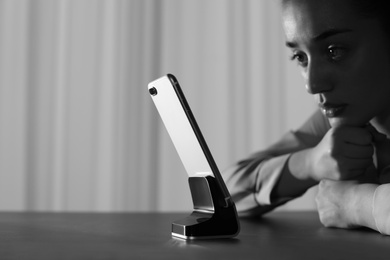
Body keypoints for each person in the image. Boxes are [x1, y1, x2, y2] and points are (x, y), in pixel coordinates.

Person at [222, 0, 390, 235]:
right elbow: (225, 195)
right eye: (300, 57)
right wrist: (309, 163)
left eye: (335, 51)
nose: (312, 85)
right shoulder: (337, 122)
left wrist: (356, 204)